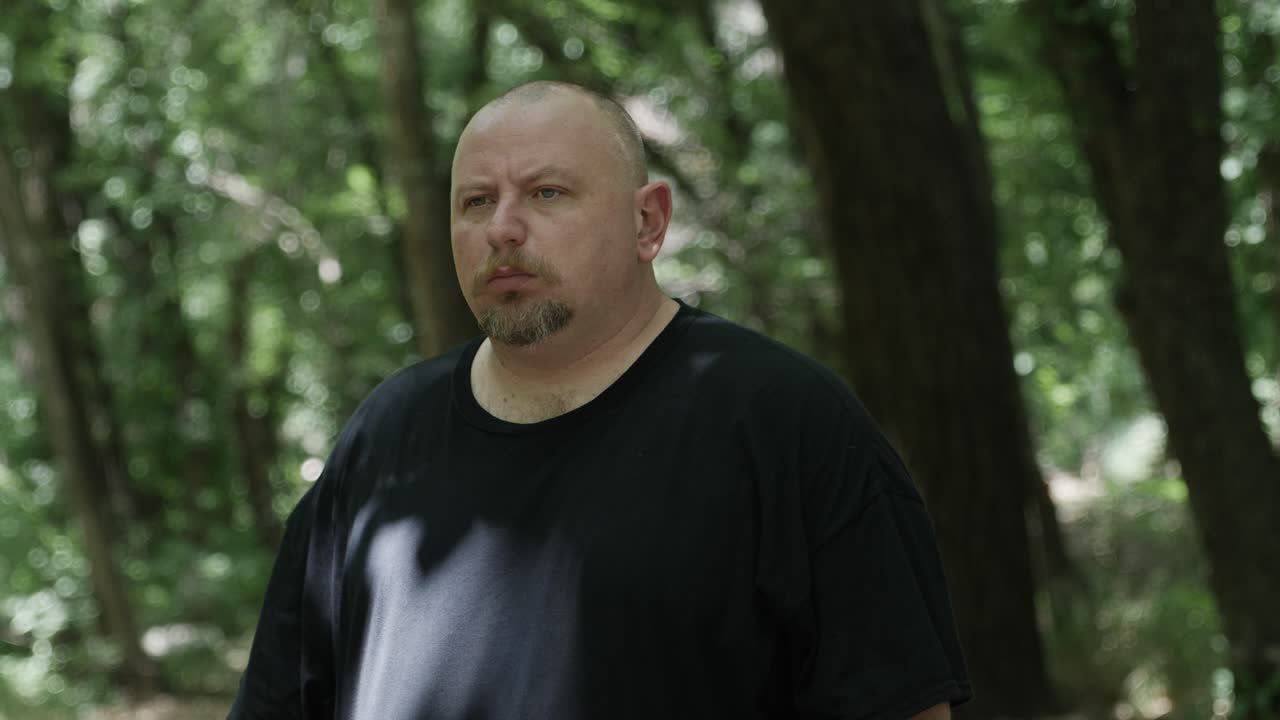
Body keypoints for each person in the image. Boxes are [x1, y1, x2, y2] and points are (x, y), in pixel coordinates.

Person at [229, 80, 972, 720]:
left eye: (546, 193)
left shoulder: (786, 422)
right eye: (476, 201)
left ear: (648, 222)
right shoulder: (386, 436)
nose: (502, 228)